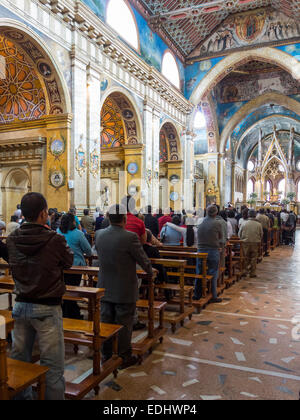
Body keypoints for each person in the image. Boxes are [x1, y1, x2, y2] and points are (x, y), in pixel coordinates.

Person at [6, 192, 73, 400]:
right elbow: (68, 262)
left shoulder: (12, 239)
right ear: (44, 213)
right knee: (52, 367)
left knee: (19, 362)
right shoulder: (55, 239)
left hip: (20, 305)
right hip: (47, 307)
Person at [95, 204, 153, 369]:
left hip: (104, 286)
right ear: (124, 219)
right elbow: (142, 259)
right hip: (124, 287)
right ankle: (124, 355)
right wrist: (150, 271)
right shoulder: (130, 237)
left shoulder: (99, 235)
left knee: (106, 322)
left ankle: (106, 355)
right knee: (125, 323)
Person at [57, 213, 92, 319]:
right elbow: (89, 251)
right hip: (76, 266)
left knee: (65, 289)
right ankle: (73, 313)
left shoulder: (58, 232)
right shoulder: (78, 234)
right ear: (73, 222)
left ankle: (67, 311)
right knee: (73, 291)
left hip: (62, 265)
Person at [193, 205, 223, 303]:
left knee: (199, 271)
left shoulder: (200, 221)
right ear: (216, 213)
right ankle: (213, 295)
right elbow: (220, 237)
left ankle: (197, 294)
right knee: (213, 272)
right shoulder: (217, 223)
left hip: (201, 249)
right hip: (213, 250)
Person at [239, 209, 263, 278]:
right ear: (255, 215)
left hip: (245, 242)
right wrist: (258, 240)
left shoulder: (244, 223)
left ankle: (245, 271)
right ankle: (253, 273)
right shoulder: (258, 224)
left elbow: (239, 233)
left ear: (248, 215)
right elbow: (261, 234)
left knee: (245, 257)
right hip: (255, 242)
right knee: (254, 258)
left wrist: (242, 239)